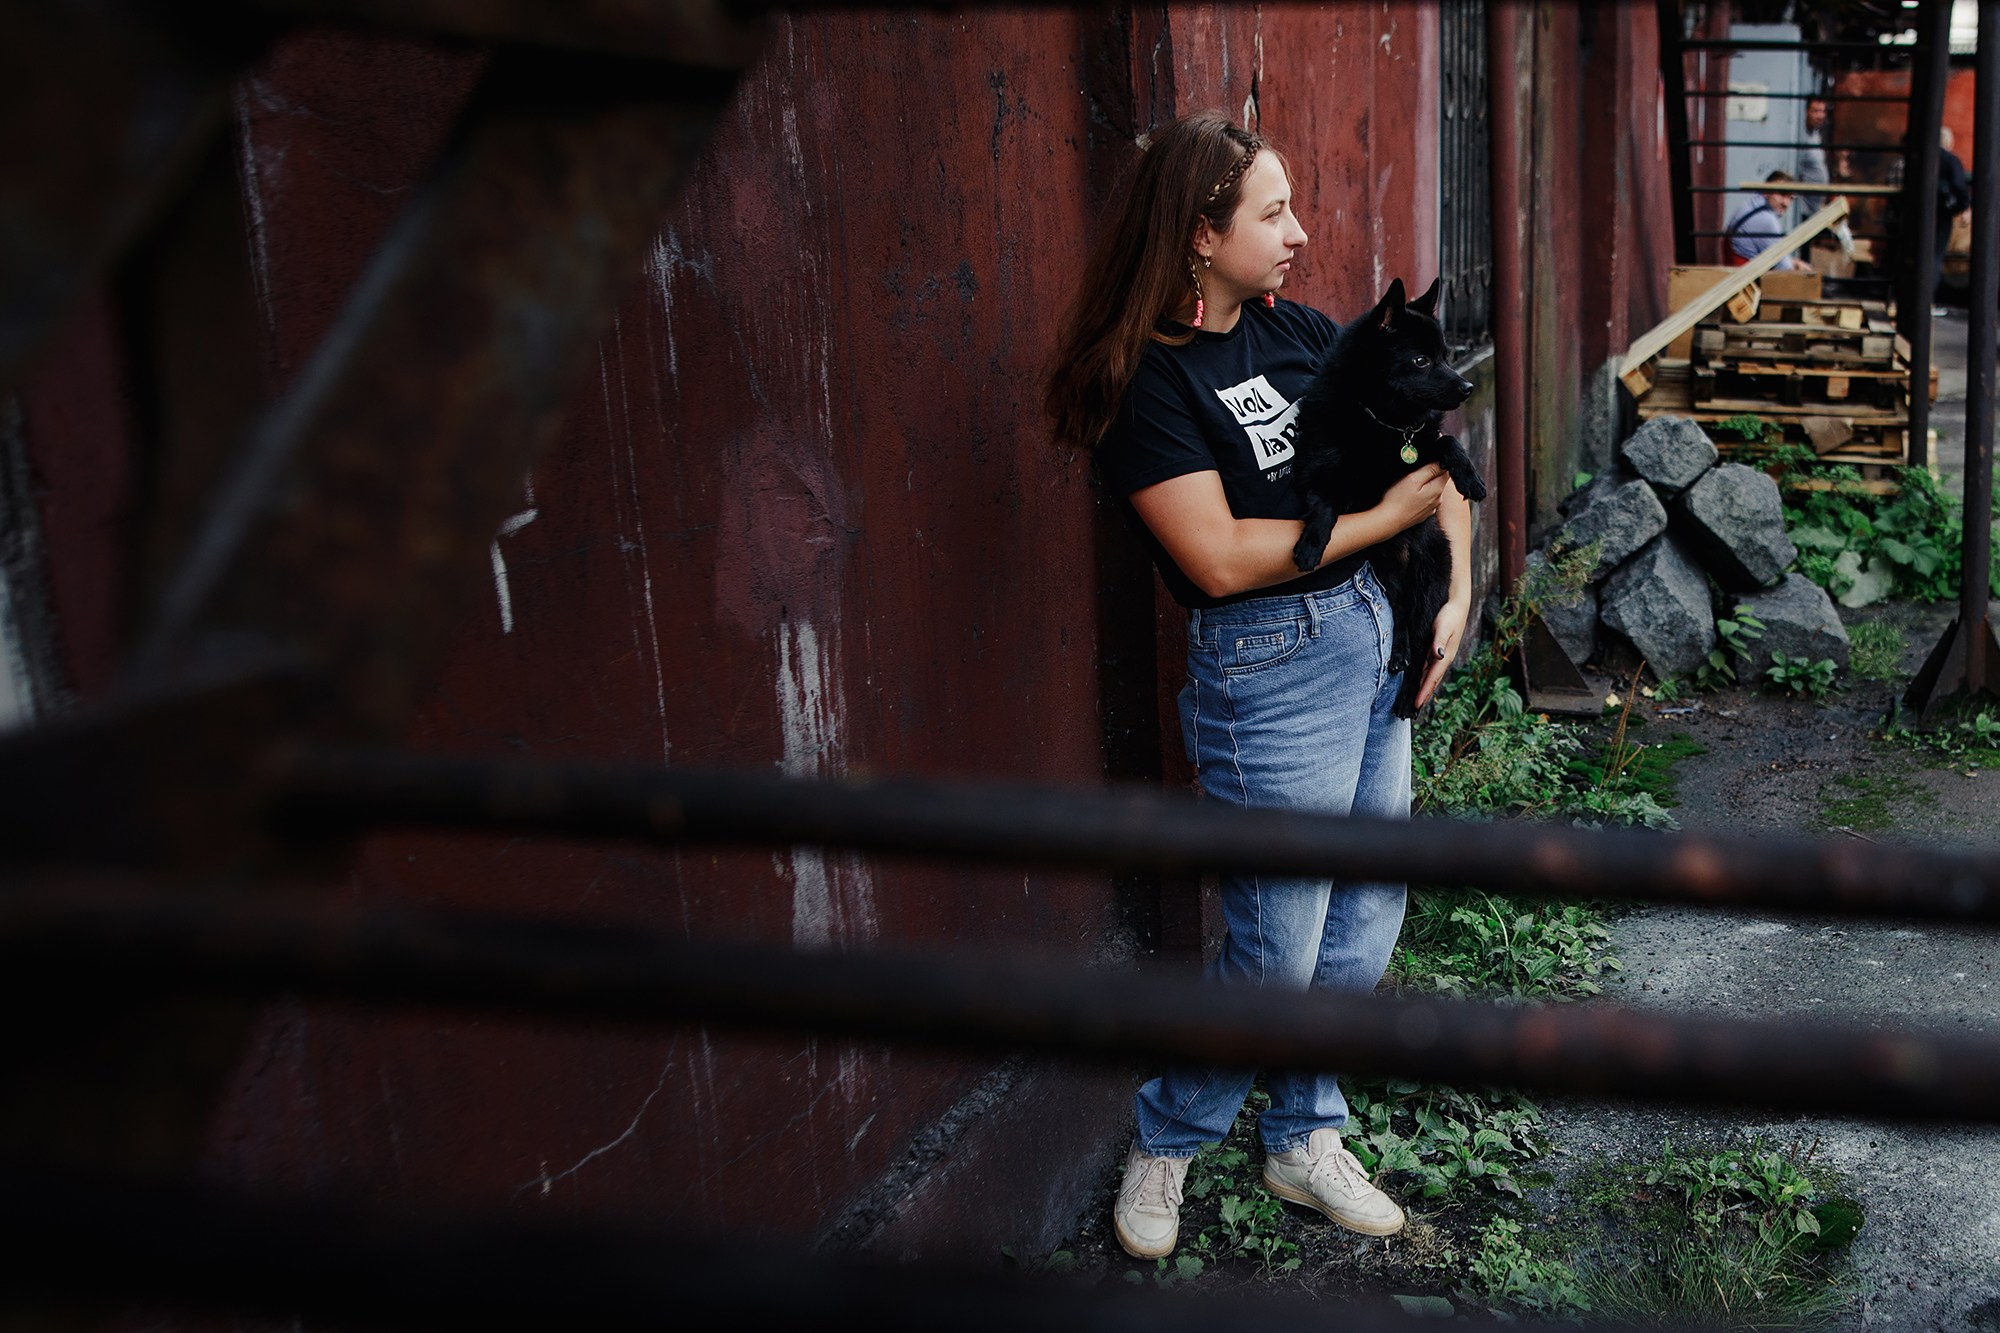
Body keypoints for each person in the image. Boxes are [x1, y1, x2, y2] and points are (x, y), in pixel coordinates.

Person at [1044, 111, 1470, 1260]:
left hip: (1369, 635)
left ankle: (1302, 1135)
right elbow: (1218, 557)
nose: (1297, 233)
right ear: (1200, 234)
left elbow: (1430, 453)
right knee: (1275, 944)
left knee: (1361, 920)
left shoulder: (1301, 333)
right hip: (1265, 666)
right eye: (1271, 213)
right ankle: (1169, 1137)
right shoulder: (1146, 380)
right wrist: (1384, 518)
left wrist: (1453, 590)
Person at [1723, 171, 1811, 271]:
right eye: (1782, 194)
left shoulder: (1751, 204)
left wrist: (1793, 262)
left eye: (1791, 198)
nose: (1786, 203)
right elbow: (1784, 268)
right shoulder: (1766, 219)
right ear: (1767, 191)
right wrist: (1795, 265)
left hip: (1739, 271)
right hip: (1748, 277)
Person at [1936, 125, 1972, 312]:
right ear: (1948, 143)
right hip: (1942, 214)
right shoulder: (1950, 160)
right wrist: (1965, 207)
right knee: (1935, 256)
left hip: (1912, 215)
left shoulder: (1918, 158)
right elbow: (1959, 186)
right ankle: (1927, 301)